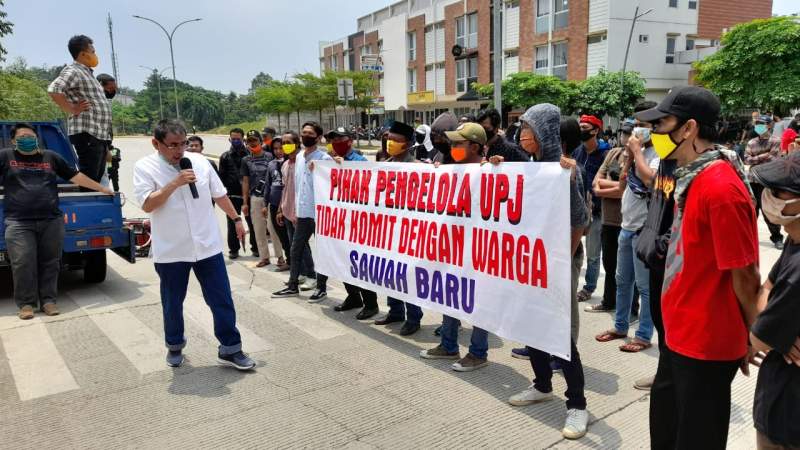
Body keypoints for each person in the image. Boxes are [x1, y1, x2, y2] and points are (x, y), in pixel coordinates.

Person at [638, 86, 761, 450]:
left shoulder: (721, 188)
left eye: (662, 123)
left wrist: (751, 331)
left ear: (689, 128)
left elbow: (745, 273)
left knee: (696, 438)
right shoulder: (689, 177)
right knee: (665, 429)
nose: (655, 133)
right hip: (678, 335)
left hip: (705, 343)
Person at [496, 103, 590, 440]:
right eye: (521, 128)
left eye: (529, 129)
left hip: (555, 264)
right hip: (530, 264)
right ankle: (541, 385)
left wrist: (561, 259)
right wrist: (496, 168)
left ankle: (577, 405)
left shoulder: (564, 171)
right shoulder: (532, 166)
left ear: (546, 133)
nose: (522, 135)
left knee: (560, 336)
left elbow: (581, 221)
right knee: (531, 325)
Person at [133, 119, 255, 370]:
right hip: (172, 250)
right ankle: (174, 345)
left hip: (207, 246)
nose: (179, 151)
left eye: (183, 143)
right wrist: (174, 183)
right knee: (173, 302)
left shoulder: (199, 162)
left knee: (221, 299)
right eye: (172, 145)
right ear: (156, 143)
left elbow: (219, 194)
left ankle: (231, 348)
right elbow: (147, 205)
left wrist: (236, 219)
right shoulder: (145, 167)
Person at [2, 123, 113, 320]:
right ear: (13, 141)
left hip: (51, 220)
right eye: (22, 137)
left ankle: (49, 301)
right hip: (19, 222)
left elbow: (75, 176)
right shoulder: (6, 157)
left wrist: (101, 188)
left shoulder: (50, 157)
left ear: (37, 138)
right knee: (22, 262)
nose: (27, 139)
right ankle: (26, 304)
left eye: (30, 136)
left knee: (51, 262)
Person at [420, 123, 491, 371]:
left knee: (480, 299)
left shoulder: (491, 170)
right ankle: (448, 345)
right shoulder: (452, 169)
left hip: (480, 249)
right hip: (453, 246)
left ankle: (478, 352)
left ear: (474, 146)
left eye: (458, 144)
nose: (452, 148)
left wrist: (497, 166)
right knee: (449, 294)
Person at [747, 153, 800, 450]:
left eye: (779, 191)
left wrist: (768, 331)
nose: (769, 197)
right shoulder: (795, 237)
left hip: (786, 411)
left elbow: (758, 338)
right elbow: (767, 284)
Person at [594, 106, 658, 354]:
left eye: (644, 126)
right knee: (622, 281)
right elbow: (622, 181)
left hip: (645, 229)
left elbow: (648, 181)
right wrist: (631, 156)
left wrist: (637, 154)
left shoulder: (657, 155)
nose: (637, 131)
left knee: (644, 287)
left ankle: (643, 335)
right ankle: (620, 326)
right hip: (626, 225)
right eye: (636, 125)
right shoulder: (634, 153)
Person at [372, 121, 424, 336]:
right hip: (388, 230)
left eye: (396, 140)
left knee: (408, 275)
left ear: (409, 143)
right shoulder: (386, 163)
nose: (390, 143)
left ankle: (413, 316)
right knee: (390, 272)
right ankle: (395, 310)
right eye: (388, 139)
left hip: (408, 231)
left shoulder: (418, 167)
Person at [324, 127, 380, 321]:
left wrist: (345, 168)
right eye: (333, 139)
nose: (336, 142)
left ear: (350, 141)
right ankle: (353, 297)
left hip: (358, 223)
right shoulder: (328, 161)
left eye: (340, 138)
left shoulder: (360, 162)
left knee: (360, 265)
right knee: (342, 261)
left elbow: (367, 188)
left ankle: (370, 304)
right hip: (339, 222)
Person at [272, 122, 331, 302]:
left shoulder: (324, 159)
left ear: (318, 137)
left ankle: (321, 288)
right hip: (303, 213)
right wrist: (296, 210)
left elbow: (331, 185)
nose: (305, 135)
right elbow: (297, 187)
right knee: (295, 249)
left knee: (322, 252)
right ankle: (292, 286)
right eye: (303, 132)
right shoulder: (298, 158)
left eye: (310, 133)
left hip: (320, 215)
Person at [47, 35, 113, 184]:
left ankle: (95, 203)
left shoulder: (88, 74)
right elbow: (54, 89)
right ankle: (90, 205)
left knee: (95, 179)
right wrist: (72, 109)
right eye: (93, 51)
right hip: (87, 133)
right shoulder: (74, 71)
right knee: (89, 179)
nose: (95, 55)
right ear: (83, 54)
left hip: (97, 134)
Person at [585, 120, 633, 314]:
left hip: (628, 221)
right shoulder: (613, 153)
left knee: (628, 272)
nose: (626, 137)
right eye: (624, 133)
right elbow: (596, 183)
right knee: (610, 265)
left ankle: (631, 309)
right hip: (608, 219)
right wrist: (613, 187)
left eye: (629, 133)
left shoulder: (640, 158)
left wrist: (607, 187)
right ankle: (608, 302)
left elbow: (627, 190)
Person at [574, 115, 610, 303]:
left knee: (593, 252)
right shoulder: (577, 152)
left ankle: (589, 287)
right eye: (580, 126)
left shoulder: (606, 154)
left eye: (585, 127)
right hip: (577, 208)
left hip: (597, 210)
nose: (581, 130)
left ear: (595, 130)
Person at [275, 131, 316, 287]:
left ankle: (312, 275)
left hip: (302, 212)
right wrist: (280, 209)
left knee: (301, 245)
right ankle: (301, 274)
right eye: (283, 143)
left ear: (297, 143)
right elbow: (285, 188)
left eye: (288, 142)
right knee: (295, 246)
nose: (285, 146)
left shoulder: (303, 162)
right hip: (287, 209)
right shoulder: (285, 165)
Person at [747, 115, 785, 249]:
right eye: (757, 123)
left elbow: (773, 159)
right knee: (752, 211)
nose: (758, 126)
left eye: (761, 123)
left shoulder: (775, 141)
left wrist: (755, 158)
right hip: (752, 180)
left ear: (769, 125)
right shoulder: (751, 142)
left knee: (769, 211)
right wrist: (765, 155)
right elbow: (747, 159)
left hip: (768, 181)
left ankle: (777, 238)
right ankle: (749, 238)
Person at [219, 128, 257, 259]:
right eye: (233, 138)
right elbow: (221, 178)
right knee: (232, 223)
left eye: (238, 139)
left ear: (243, 139)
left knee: (252, 222)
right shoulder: (225, 156)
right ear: (230, 139)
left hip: (248, 196)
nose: (235, 141)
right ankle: (233, 250)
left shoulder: (250, 154)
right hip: (232, 196)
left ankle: (256, 248)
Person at [240, 130, 277, 268]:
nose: (252, 143)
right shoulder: (246, 160)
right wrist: (245, 202)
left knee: (273, 228)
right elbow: (245, 181)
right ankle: (264, 257)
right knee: (258, 229)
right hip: (255, 198)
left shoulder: (270, 156)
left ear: (260, 141)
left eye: (254, 140)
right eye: (249, 141)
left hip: (270, 197)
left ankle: (280, 257)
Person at [260, 138, 290, 271]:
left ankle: (296, 262)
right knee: (281, 235)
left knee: (290, 235)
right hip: (273, 204)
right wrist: (265, 204)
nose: (278, 151)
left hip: (287, 205)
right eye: (275, 149)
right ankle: (289, 260)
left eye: (281, 148)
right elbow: (268, 185)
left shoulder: (290, 163)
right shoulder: (271, 164)